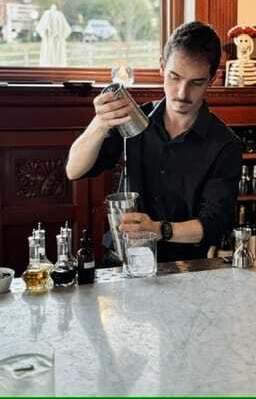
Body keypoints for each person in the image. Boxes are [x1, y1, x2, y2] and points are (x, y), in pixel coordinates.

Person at [66, 21, 243, 262]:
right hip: (124, 258)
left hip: (185, 267)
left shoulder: (225, 144)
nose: (182, 93)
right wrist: (99, 123)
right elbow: (74, 170)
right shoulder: (134, 121)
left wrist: (159, 230)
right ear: (162, 66)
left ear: (213, 78)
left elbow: (215, 223)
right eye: (174, 77)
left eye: (196, 82)